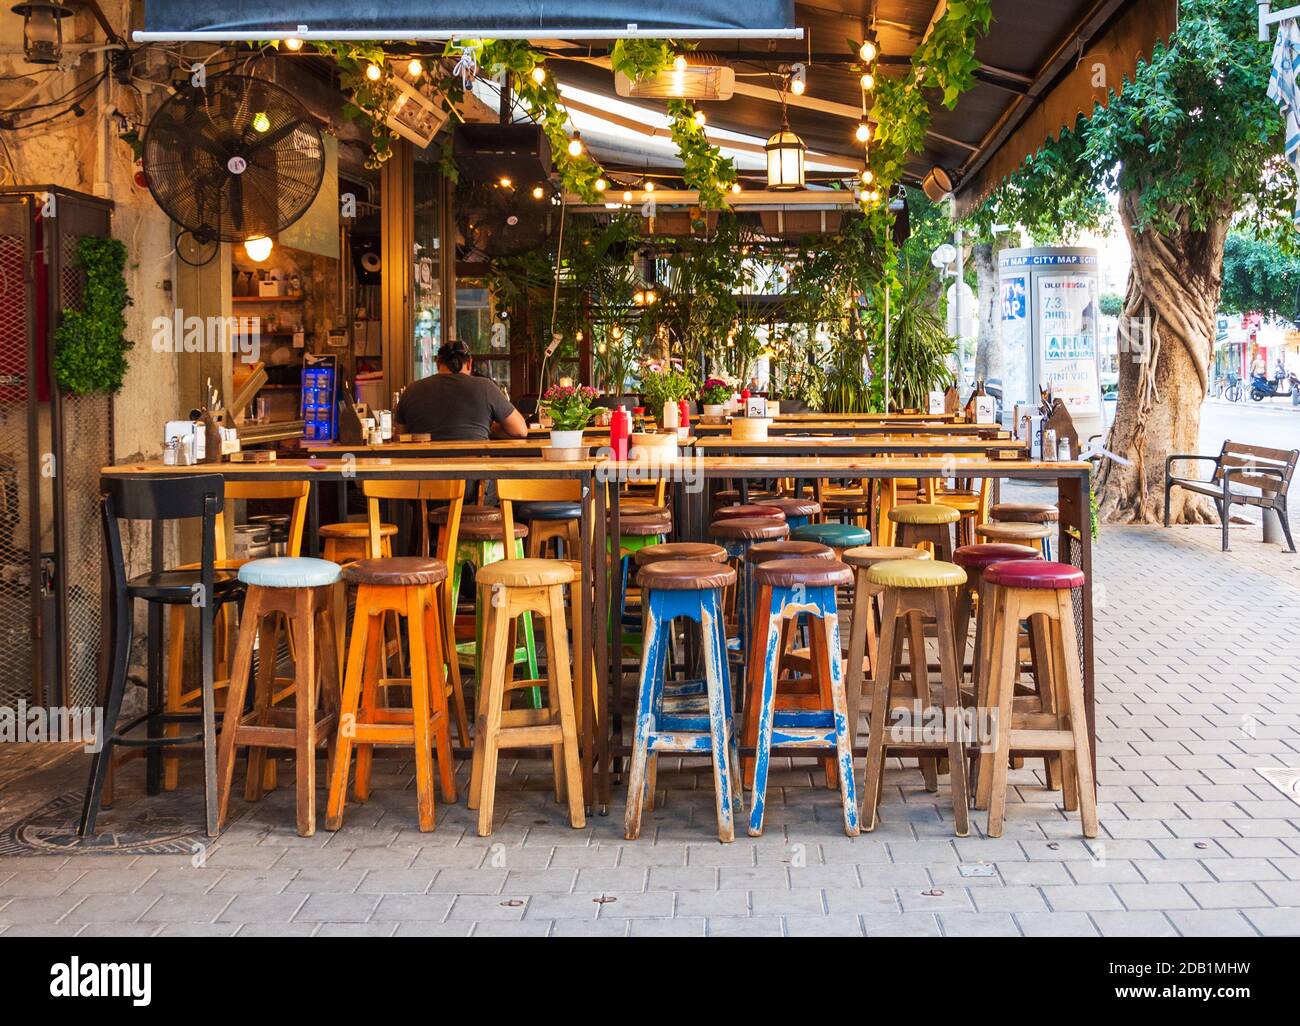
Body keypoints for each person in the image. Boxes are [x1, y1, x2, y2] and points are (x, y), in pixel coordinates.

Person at [397, 340, 528, 440]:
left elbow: (400, 436)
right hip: (475, 472)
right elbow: (520, 430)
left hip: (424, 473)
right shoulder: (485, 387)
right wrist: (487, 428)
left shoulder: (412, 390)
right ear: (470, 363)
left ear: (438, 364)